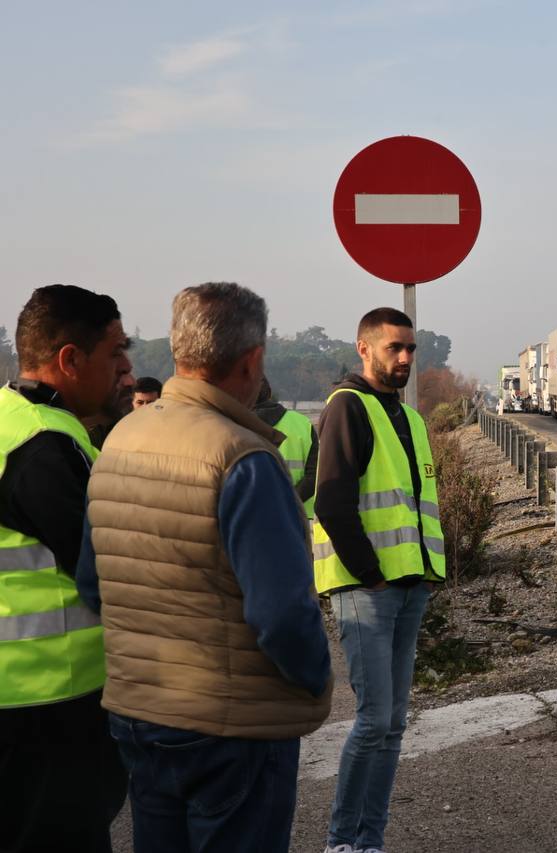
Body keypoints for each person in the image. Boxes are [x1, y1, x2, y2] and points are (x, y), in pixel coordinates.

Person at [77, 282, 332, 853]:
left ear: (178, 351)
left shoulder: (120, 440)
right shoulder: (243, 457)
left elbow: (94, 583)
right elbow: (283, 615)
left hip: (140, 712)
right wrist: (316, 678)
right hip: (232, 726)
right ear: (253, 360)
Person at [0, 284, 131, 852]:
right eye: (115, 352)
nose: (127, 368)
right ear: (69, 360)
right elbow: (104, 570)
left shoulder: (10, 420)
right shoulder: (45, 444)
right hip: (49, 701)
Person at [313, 306, 445, 853]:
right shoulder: (348, 407)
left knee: (392, 725)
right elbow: (331, 502)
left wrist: (421, 574)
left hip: (409, 584)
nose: (406, 358)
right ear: (364, 348)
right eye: (395, 348)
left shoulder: (408, 417)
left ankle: (370, 840)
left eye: (411, 348)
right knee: (372, 722)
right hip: (367, 589)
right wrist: (370, 575)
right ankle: (342, 841)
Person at [254, 377, 318, 516]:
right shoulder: (302, 424)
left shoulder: (230, 425)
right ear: (270, 394)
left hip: (249, 519)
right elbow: (315, 474)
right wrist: (287, 503)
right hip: (297, 518)